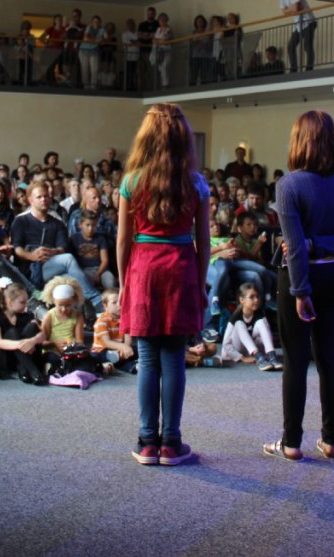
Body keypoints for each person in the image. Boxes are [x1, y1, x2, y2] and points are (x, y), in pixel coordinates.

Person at [116, 103, 210, 466]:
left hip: (143, 268)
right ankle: (171, 443)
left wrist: (125, 283)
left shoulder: (131, 181)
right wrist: (200, 285)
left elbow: (123, 241)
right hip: (181, 267)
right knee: (174, 359)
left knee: (147, 358)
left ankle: (146, 443)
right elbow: (203, 240)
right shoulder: (196, 183)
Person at [265, 110, 334, 462]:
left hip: (299, 280)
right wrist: (318, 245)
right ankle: (331, 441)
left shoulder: (288, 185)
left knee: (295, 361)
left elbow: (295, 246)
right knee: (329, 361)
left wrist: (301, 292)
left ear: (299, 141)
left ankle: (291, 444)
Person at [0, 280, 47, 384]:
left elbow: (43, 334)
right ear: (10, 302)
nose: (25, 306)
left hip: (28, 354)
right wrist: (20, 344)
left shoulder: (27, 316)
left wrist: (32, 341)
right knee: (12, 333)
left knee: (32, 327)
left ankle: (23, 369)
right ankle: (33, 371)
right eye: (22, 302)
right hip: (6, 358)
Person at [222, 283, 280, 371]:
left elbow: (266, 335)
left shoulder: (260, 314)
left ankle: (271, 355)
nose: (256, 300)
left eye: (257, 296)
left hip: (250, 349)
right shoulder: (235, 316)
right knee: (239, 324)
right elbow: (225, 344)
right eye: (252, 297)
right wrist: (242, 358)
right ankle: (259, 357)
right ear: (242, 300)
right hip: (236, 351)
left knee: (261, 322)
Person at [92, 287, 135, 373]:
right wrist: (123, 347)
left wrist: (125, 349)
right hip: (102, 350)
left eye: (121, 302)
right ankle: (106, 364)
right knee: (95, 356)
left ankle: (133, 367)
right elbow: (106, 342)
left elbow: (128, 341)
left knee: (136, 350)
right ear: (105, 306)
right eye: (114, 303)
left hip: (118, 350)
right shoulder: (102, 320)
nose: (119, 305)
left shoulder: (125, 319)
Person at [279, 0, 317, 72]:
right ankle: (294, 68)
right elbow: (284, 12)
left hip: (308, 21)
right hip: (297, 24)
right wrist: (292, 8)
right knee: (291, 46)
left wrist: (290, 9)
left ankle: (309, 69)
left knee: (307, 46)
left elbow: (297, 8)